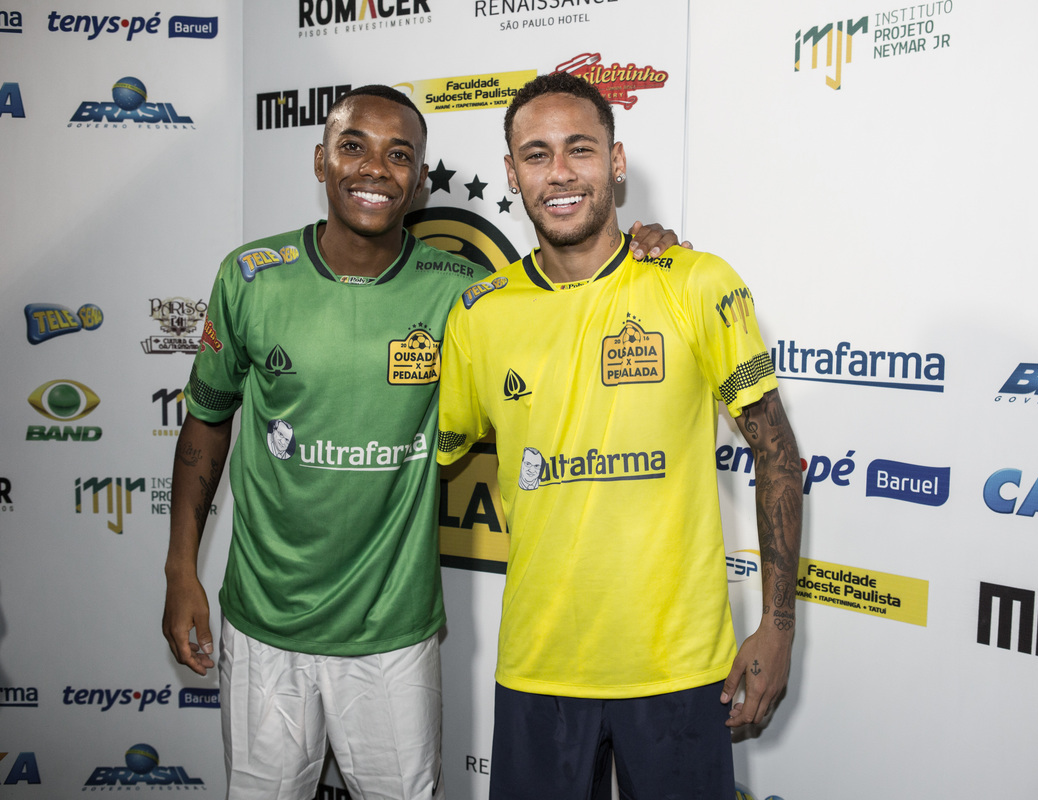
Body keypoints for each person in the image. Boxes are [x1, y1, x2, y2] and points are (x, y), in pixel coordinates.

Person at [161, 83, 683, 800]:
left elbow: (566, 306)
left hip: (395, 633)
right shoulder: (251, 277)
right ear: (319, 160)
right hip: (262, 626)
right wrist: (179, 568)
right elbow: (206, 419)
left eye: (399, 154)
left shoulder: (465, 291)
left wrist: (647, 253)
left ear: (418, 178)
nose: (375, 169)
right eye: (353, 146)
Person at [436, 72, 804, 799]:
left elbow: (776, 455)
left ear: (617, 161)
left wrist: (779, 625)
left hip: (680, 669)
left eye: (580, 149)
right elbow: (427, 458)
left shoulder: (694, 281)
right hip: (539, 667)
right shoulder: (479, 313)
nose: (559, 173)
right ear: (511, 173)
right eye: (536, 155)